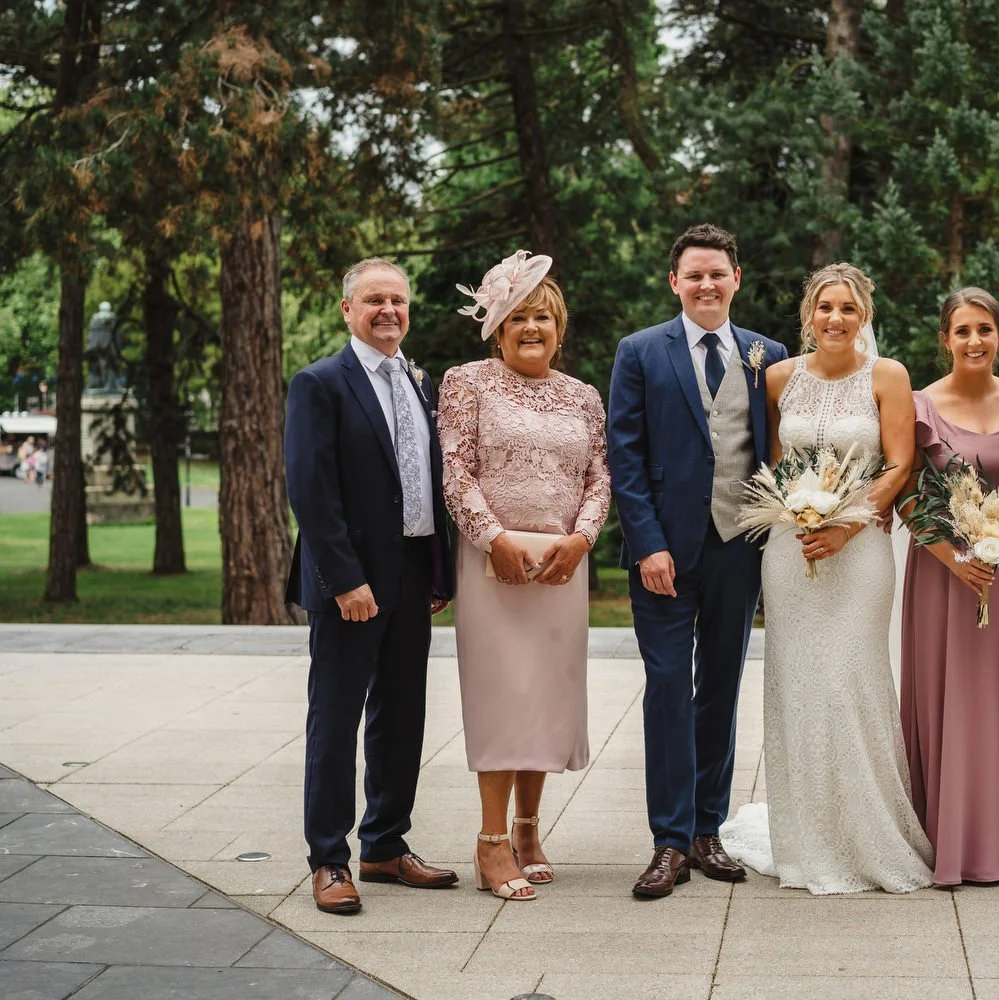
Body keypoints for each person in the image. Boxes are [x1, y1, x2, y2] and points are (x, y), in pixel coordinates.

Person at [724, 262, 934, 895]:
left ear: (863, 314)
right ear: (808, 316)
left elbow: (900, 463)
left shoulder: (888, 376)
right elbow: (776, 463)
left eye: (847, 308)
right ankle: (808, 837)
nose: (836, 319)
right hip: (791, 550)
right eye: (825, 308)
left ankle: (872, 833)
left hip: (862, 546)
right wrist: (801, 514)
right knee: (800, 688)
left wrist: (847, 522)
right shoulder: (779, 377)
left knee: (850, 681)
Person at [607, 224, 788, 898]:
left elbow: (776, 451)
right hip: (663, 551)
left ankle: (709, 830)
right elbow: (624, 454)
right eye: (694, 275)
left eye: (718, 274)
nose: (706, 285)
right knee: (665, 689)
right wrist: (648, 541)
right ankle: (667, 841)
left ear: (735, 279)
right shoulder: (639, 352)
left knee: (719, 687)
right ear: (674, 282)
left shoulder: (767, 355)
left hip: (738, 546)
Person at [284, 257, 458, 915]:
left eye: (399, 301)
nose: (389, 311)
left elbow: (426, 482)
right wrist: (343, 579)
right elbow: (311, 489)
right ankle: (329, 859)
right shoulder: (319, 383)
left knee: (402, 713)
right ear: (347, 310)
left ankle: (386, 845)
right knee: (335, 719)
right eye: (375, 300)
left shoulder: (418, 379)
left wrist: (437, 572)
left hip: (413, 573)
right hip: (351, 578)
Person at [439, 252, 610, 901]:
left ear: (559, 329)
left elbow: (600, 476)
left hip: (563, 567)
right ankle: (490, 844)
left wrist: (582, 538)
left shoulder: (583, 397)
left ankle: (529, 829)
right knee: (503, 698)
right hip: (495, 567)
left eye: (543, 317)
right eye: (519, 316)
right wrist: (494, 541)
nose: (531, 327)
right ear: (498, 326)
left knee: (546, 699)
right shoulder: (467, 382)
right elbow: (456, 473)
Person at [898, 287, 999, 886]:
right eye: (962, 331)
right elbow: (905, 492)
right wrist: (950, 555)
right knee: (949, 699)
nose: (974, 341)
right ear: (945, 338)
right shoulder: (918, 406)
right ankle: (946, 840)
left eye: (985, 330)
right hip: (942, 578)